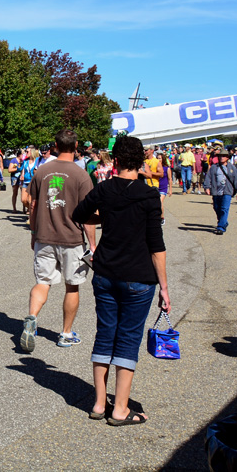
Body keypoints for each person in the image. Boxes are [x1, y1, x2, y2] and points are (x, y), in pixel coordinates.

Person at [71, 134, 170, 426]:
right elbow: (157, 245)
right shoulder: (149, 195)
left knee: (105, 333)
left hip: (105, 273)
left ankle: (100, 403)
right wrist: (164, 288)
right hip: (139, 277)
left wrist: (111, 218)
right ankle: (121, 408)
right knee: (128, 338)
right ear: (141, 163)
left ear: (115, 161)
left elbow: (80, 214)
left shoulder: (105, 189)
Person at [20, 130, 96, 352]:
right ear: (77, 145)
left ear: (55, 145)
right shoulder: (81, 175)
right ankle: (65, 333)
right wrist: (92, 244)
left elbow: (31, 204)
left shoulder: (42, 171)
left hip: (44, 236)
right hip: (72, 238)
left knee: (43, 282)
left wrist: (33, 232)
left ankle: (32, 318)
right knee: (72, 287)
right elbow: (89, 215)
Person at [204, 149, 237, 235]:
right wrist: (207, 187)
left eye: (224, 156)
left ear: (227, 158)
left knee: (224, 208)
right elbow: (208, 177)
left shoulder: (232, 168)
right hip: (216, 190)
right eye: (220, 156)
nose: (221, 157)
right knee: (217, 208)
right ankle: (223, 221)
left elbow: (236, 180)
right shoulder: (214, 167)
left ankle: (220, 227)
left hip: (227, 191)